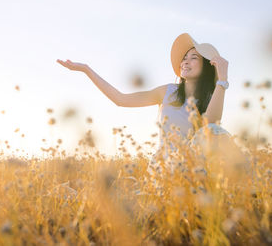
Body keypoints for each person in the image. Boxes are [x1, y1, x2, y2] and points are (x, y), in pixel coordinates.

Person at [56, 33, 242, 174]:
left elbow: (210, 126)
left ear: (207, 67)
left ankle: (246, 190)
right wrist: (87, 70)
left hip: (194, 169)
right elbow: (120, 99)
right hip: (165, 167)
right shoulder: (167, 92)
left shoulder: (213, 95)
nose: (185, 62)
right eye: (184, 58)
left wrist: (222, 80)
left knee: (216, 133)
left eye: (194, 58)